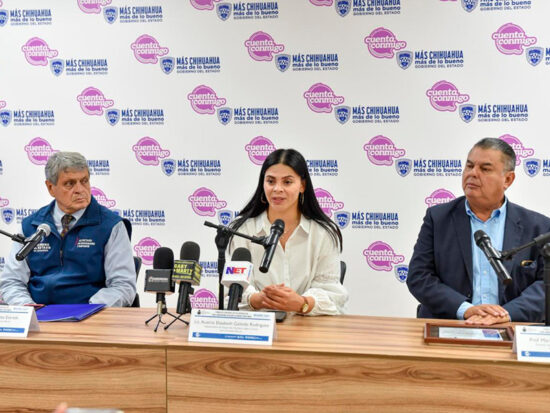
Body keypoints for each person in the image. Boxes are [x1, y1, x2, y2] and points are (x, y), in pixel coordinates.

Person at [407, 138, 550, 325]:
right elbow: (419, 276)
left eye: (485, 169)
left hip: (511, 327)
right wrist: (464, 309)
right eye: (469, 166)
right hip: (451, 324)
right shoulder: (438, 218)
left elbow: (545, 285)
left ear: (508, 179)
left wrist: (506, 314)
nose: (473, 173)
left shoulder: (538, 227)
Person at [0, 152, 136, 307]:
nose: (80, 189)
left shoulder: (110, 225)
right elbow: (12, 281)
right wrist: (26, 307)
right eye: (70, 184)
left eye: (84, 181)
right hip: (38, 313)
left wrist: (90, 309)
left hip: (90, 314)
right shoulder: (31, 226)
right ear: (51, 188)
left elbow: (123, 286)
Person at [228, 148, 348, 315]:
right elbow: (230, 292)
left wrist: (301, 303)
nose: (277, 189)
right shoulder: (242, 230)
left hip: (307, 326)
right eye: (271, 181)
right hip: (256, 326)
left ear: (302, 185)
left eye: (287, 182)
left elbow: (334, 296)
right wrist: (256, 299)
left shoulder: (323, 234)